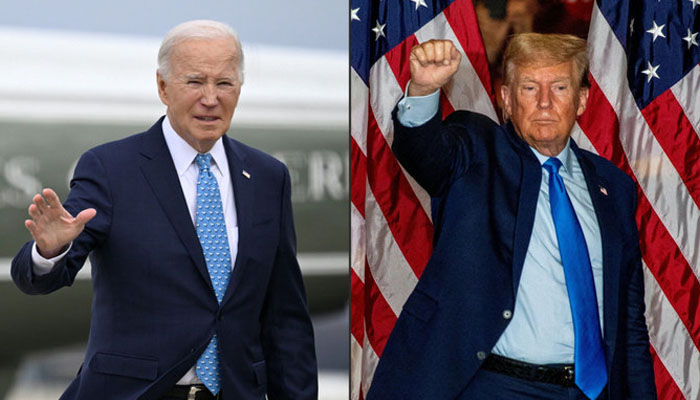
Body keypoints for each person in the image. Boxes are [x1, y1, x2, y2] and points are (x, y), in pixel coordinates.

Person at [11, 20, 317, 400]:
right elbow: (36, 279)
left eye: (224, 83)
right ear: (162, 87)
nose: (210, 98)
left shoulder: (269, 177)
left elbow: (285, 316)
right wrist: (50, 252)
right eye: (194, 82)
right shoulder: (111, 168)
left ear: (239, 88)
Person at [366, 34, 656, 399]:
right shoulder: (476, 151)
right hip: (493, 387)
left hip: (590, 392)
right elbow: (425, 153)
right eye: (530, 87)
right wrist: (423, 90)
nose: (545, 102)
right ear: (506, 99)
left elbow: (629, 322)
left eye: (561, 87)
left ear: (582, 101)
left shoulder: (614, 187)